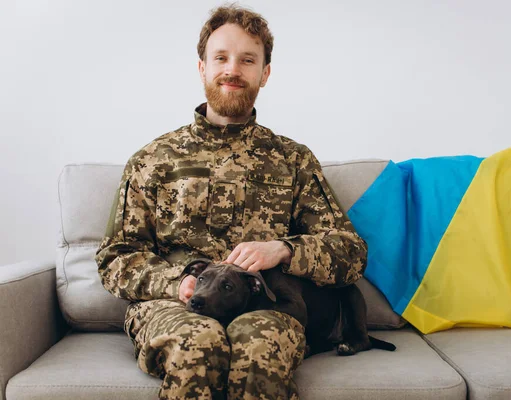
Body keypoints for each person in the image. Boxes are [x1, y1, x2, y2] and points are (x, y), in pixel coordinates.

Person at [95, 4, 367, 400]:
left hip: (266, 308)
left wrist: (284, 250)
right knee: (198, 345)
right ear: (202, 67)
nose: (232, 70)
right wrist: (179, 282)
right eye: (220, 57)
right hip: (173, 305)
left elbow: (351, 253)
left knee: (257, 348)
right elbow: (115, 257)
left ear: (265, 73)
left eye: (247, 60)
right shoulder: (152, 160)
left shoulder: (293, 159)